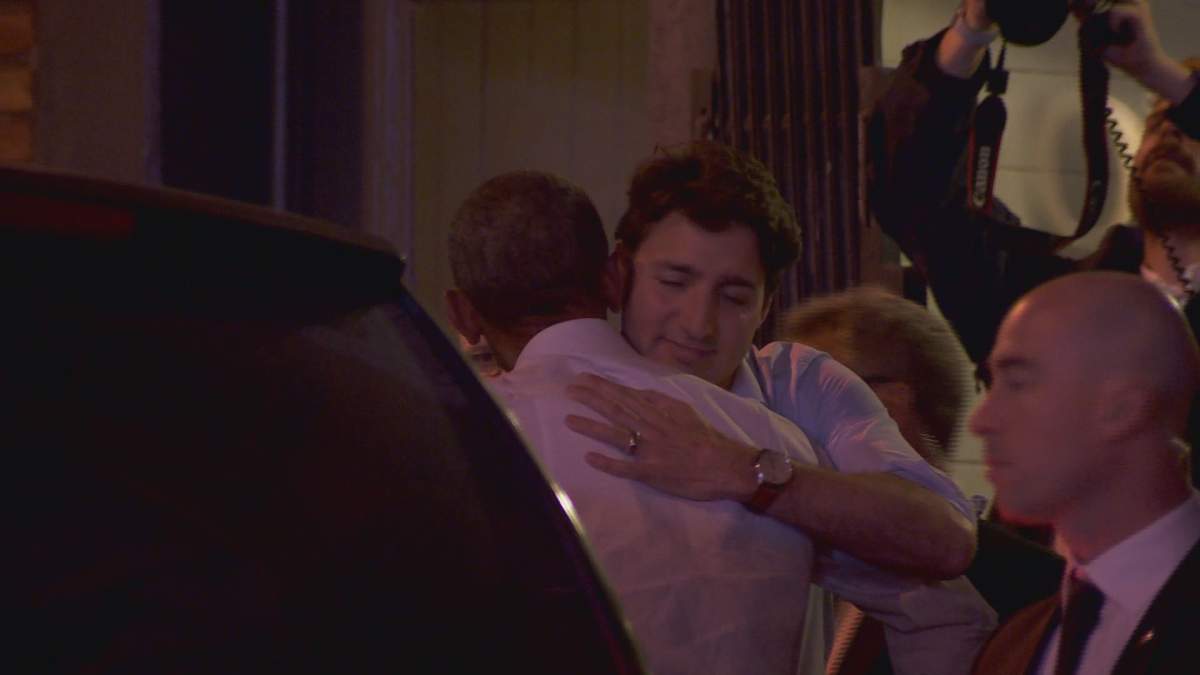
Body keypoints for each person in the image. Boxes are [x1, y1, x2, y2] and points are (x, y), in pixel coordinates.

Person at [443, 170, 979, 675]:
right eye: (674, 282)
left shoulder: (785, 411)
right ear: (617, 276)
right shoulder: (769, 432)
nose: (697, 324)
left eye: (734, 295)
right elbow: (944, 616)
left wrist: (746, 472)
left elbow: (942, 558)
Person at [866, 0, 1200, 482]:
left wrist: (1154, 71)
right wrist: (975, 26)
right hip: (1053, 556)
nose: (1169, 135)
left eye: (1190, 127)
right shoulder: (1044, 305)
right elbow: (913, 191)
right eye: (1158, 123)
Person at [780, 287, 1064, 674]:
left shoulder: (1032, 593)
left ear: (886, 408)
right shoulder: (788, 566)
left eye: (799, 401)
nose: (774, 425)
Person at [968, 271, 1200, 674]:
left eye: (1018, 384)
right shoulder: (1014, 643)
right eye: (993, 384)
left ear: (1121, 408)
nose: (982, 420)